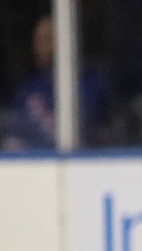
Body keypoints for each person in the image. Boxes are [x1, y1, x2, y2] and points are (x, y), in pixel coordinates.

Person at [3, 15, 109, 151]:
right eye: (37, 39)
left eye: (46, 39)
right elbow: (13, 139)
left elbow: (101, 136)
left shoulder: (91, 84)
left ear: (65, 41)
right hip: (35, 167)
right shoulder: (29, 89)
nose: (38, 46)